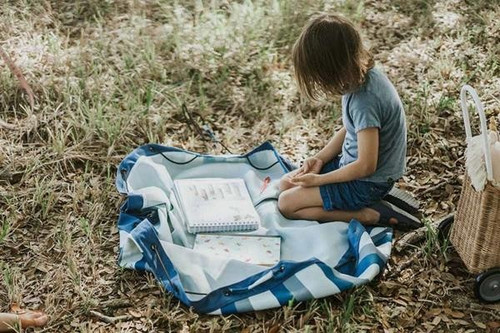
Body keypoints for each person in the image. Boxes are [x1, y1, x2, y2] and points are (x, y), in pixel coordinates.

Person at [278, 14, 421, 230]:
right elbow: (350, 129)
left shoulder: (365, 100)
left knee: (287, 204)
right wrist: (319, 159)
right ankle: (369, 204)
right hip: (353, 167)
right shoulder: (356, 77)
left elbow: (366, 166)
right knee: (285, 184)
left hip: (366, 183)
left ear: (331, 69)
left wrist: (319, 181)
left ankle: (366, 215)